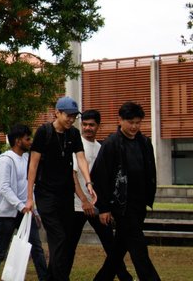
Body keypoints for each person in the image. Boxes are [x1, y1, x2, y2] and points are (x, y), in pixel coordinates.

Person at [26, 96, 96, 281]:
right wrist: (29, 197)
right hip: (46, 194)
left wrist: (88, 182)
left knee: (63, 241)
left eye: (74, 116)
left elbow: (81, 158)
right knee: (59, 237)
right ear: (57, 113)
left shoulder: (73, 134)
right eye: (68, 115)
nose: (71, 120)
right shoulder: (44, 132)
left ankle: (51, 277)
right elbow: (32, 165)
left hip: (65, 194)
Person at [91, 102, 160, 281]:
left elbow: (149, 170)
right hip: (121, 205)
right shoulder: (111, 143)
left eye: (138, 122)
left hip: (139, 204)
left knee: (119, 248)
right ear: (120, 120)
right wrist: (104, 207)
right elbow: (99, 177)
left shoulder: (144, 142)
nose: (134, 126)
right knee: (139, 249)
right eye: (131, 122)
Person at [67, 110, 133, 280]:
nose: (87, 128)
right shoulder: (76, 145)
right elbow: (72, 175)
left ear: (98, 126)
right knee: (68, 249)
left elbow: (106, 179)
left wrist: (105, 206)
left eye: (91, 125)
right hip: (77, 206)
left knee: (111, 246)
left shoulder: (101, 147)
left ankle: (124, 276)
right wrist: (83, 200)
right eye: (85, 124)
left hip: (97, 206)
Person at [0, 125, 47, 281]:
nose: (30, 141)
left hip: (26, 212)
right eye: (27, 139)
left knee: (37, 249)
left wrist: (34, 210)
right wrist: (20, 206)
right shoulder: (5, 159)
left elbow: (29, 186)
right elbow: (4, 188)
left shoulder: (27, 158)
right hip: (7, 214)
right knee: (0, 252)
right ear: (18, 141)